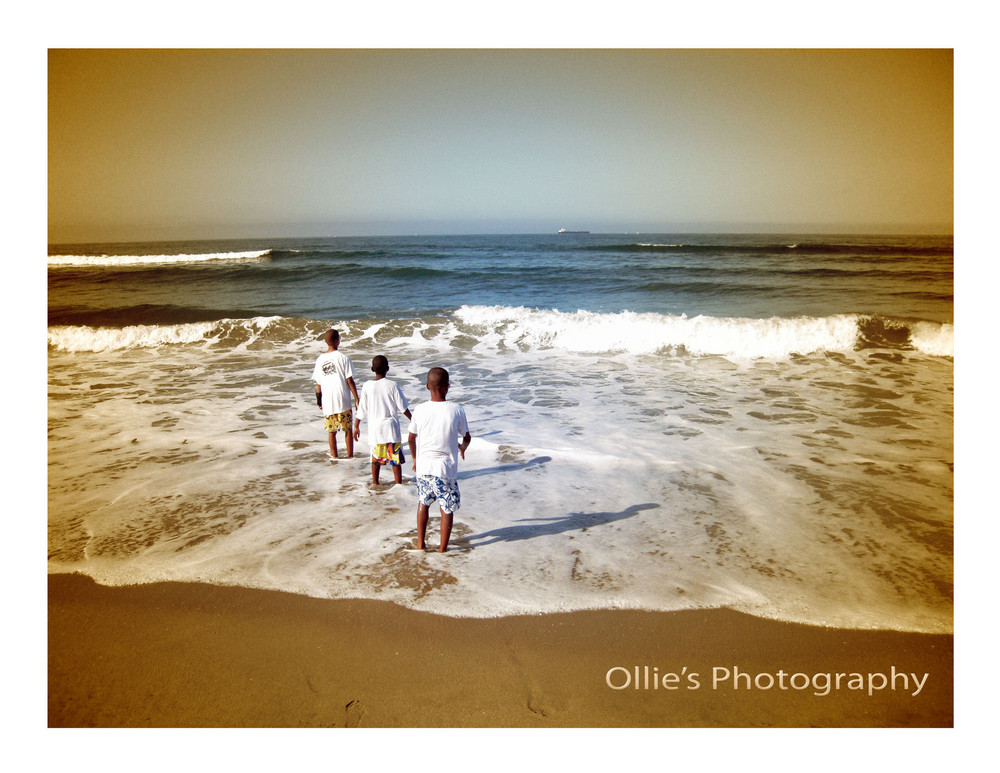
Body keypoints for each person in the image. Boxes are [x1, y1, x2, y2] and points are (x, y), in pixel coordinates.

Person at [407, 367, 471, 552]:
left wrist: (415, 459)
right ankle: (443, 549)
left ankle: (420, 543)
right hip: (444, 470)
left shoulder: (419, 409)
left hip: (424, 468)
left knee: (423, 503)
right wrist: (462, 448)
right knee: (447, 508)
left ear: (427, 386)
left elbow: (411, 438)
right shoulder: (456, 410)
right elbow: (467, 436)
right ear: (447, 387)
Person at [353, 355, 412, 485]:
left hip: (375, 430)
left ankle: (375, 483)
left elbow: (361, 409)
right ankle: (398, 485)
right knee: (395, 460)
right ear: (388, 369)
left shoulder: (367, 386)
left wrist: (356, 426)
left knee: (375, 459)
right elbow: (403, 408)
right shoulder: (392, 385)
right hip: (391, 429)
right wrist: (414, 422)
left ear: (372, 369)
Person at [312, 329, 359, 460]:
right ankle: (350, 457)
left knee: (331, 432)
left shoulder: (320, 359)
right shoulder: (343, 358)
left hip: (327, 402)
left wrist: (319, 401)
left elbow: (318, 384)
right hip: (343, 401)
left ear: (326, 342)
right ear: (338, 340)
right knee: (347, 431)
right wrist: (356, 398)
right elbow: (349, 380)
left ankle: (335, 457)